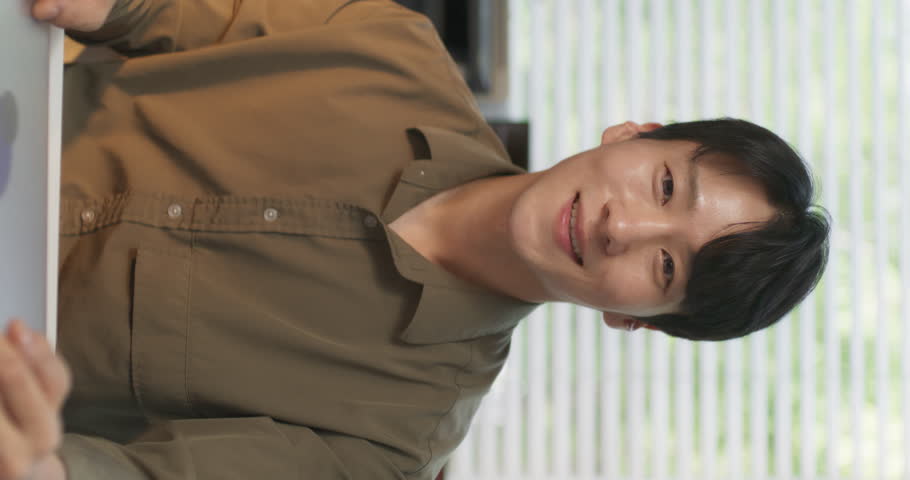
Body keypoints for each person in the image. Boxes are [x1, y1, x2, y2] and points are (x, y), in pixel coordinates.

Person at [1, 0, 829, 479]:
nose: (623, 226)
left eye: (664, 264)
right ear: (632, 133)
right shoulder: (389, 46)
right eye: (665, 187)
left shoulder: (392, 445)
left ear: (635, 321)